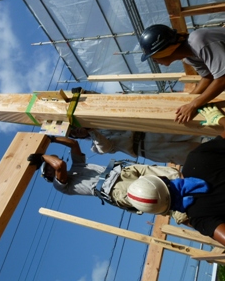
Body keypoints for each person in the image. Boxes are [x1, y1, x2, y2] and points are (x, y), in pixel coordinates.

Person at [127, 105, 225, 244]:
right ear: (162, 177)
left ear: (163, 210)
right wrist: (220, 119)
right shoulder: (195, 159)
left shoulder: (198, 219)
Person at [27, 135, 183, 218]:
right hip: (115, 189)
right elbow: (59, 165)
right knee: (167, 200)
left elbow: (74, 144)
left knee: (173, 176)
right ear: (48, 177)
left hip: (123, 171)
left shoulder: (77, 165)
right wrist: (42, 158)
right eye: (47, 169)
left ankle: (192, 184)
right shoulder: (60, 185)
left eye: (47, 165)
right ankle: (191, 215)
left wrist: (51, 138)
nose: (49, 168)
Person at [139, 24, 225, 124]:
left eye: (153, 57)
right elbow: (207, 77)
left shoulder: (199, 41)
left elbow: (222, 78)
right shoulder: (189, 57)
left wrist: (193, 104)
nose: (154, 61)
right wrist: (189, 98)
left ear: (165, 51)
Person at [69, 127, 202, 165]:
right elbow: (107, 147)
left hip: (151, 132)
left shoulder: (101, 121)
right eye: (74, 134)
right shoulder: (95, 146)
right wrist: (93, 132)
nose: (77, 131)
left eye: (75, 128)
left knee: (197, 133)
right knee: (193, 156)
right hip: (147, 150)